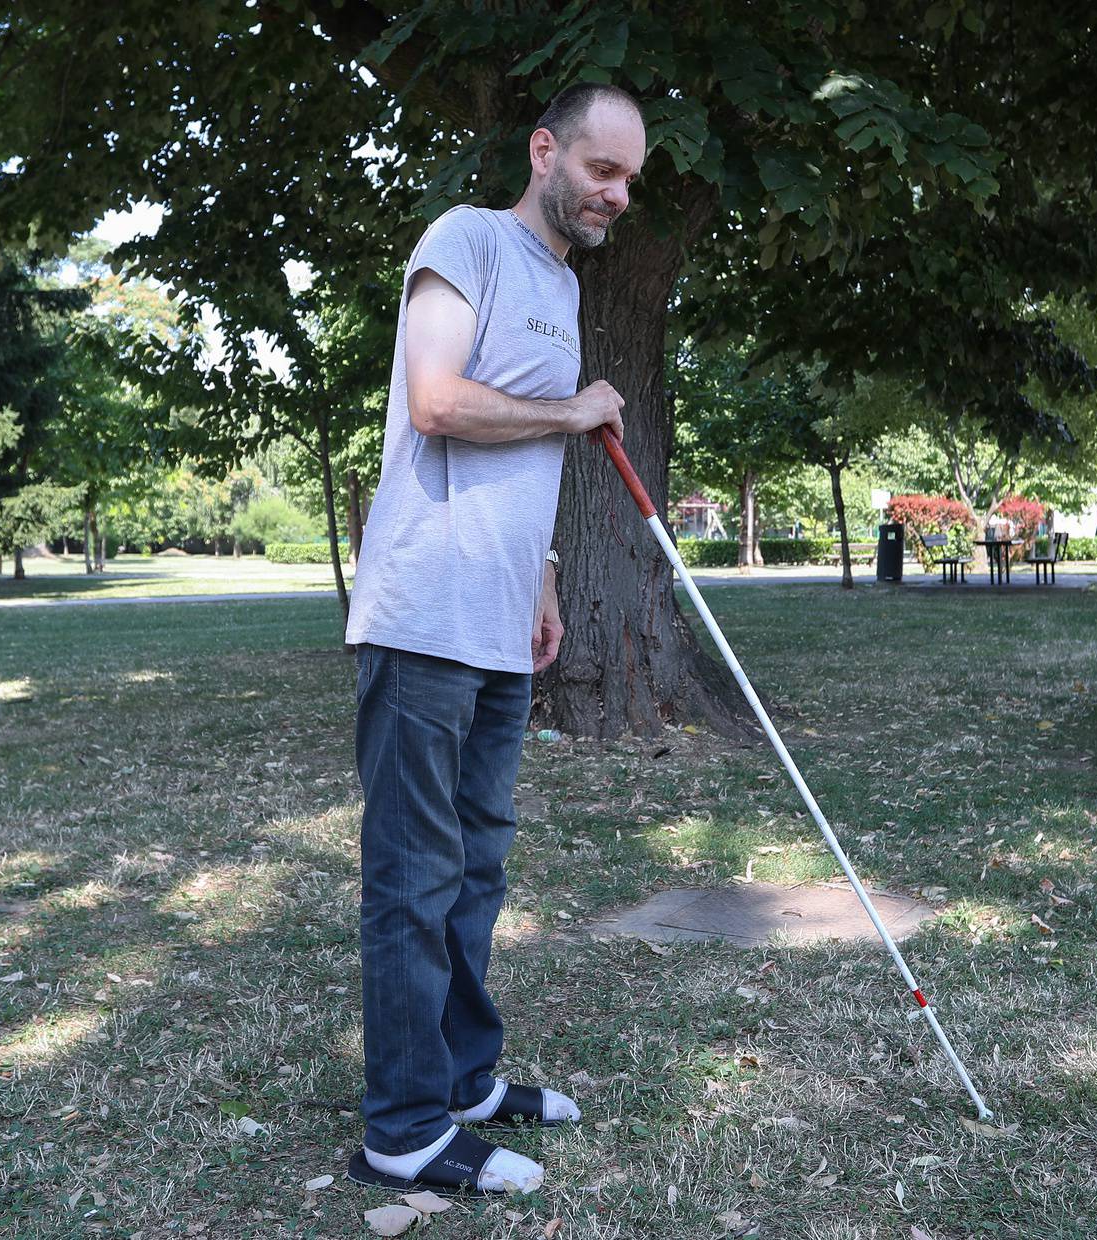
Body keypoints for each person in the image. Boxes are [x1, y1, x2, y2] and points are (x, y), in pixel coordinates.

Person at [341, 82, 646, 1196]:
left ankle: (466, 1079)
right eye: (602, 169)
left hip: (500, 624)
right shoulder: (464, 241)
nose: (617, 194)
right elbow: (436, 399)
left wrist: (548, 573)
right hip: (424, 620)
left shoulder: (562, 286)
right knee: (415, 880)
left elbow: (523, 455)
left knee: (474, 872)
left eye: (630, 181)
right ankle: (406, 1126)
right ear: (545, 150)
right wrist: (574, 410)